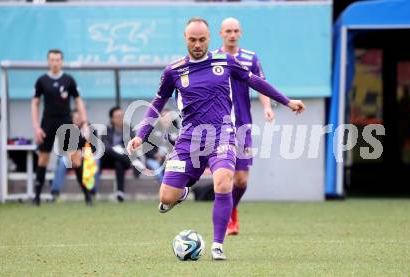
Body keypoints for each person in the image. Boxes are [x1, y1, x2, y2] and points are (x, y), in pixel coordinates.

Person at [127, 18, 304, 261]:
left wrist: (287, 101)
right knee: (166, 197)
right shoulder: (173, 71)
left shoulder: (226, 61)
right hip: (189, 140)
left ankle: (217, 245)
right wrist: (140, 135)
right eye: (192, 39)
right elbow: (157, 103)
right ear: (185, 38)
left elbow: (256, 81)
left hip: (222, 134)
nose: (197, 44)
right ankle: (181, 193)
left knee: (223, 181)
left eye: (202, 39)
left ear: (209, 39)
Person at [215, 17, 274, 236]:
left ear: (241, 33)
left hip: (243, 125)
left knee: (241, 179)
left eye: (236, 30)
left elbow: (261, 84)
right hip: (218, 126)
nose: (232, 34)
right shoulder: (214, 59)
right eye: (228, 31)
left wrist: (267, 107)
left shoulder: (250, 58)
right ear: (220, 33)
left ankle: (231, 209)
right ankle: (228, 217)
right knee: (225, 176)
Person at [31, 49, 92, 206]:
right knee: (43, 158)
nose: (55, 62)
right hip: (48, 122)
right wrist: (37, 127)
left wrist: (84, 121)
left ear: (61, 61)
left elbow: (78, 101)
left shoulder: (69, 80)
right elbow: (35, 103)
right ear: (48, 61)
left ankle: (87, 195)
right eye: (52, 60)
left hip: (66, 121)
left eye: (58, 60)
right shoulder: (42, 81)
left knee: (75, 158)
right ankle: (36, 197)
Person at [50, 110, 98, 201]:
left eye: (80, 118)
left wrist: (86, 141)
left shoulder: (90, 129)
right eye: (76, 118)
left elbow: (94, 149)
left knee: (96, 161)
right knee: (62, 161)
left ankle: (92, 190)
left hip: (86, 156)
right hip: (69, 156)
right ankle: (55, 191)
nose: (78, 120)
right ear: (71, 119)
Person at [100, 106, 142, 202]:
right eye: (118, 116)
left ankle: (120, 193)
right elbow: (105, 147)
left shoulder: (129, 130)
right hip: (108, 159)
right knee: (109, 151)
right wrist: (116, 150)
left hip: (122, 159)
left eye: (122, 116)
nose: (121, 118)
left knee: (119, 163)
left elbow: (130, 147)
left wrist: (120, 150)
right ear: (112, 119)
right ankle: (132, 162)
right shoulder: (106, 130)